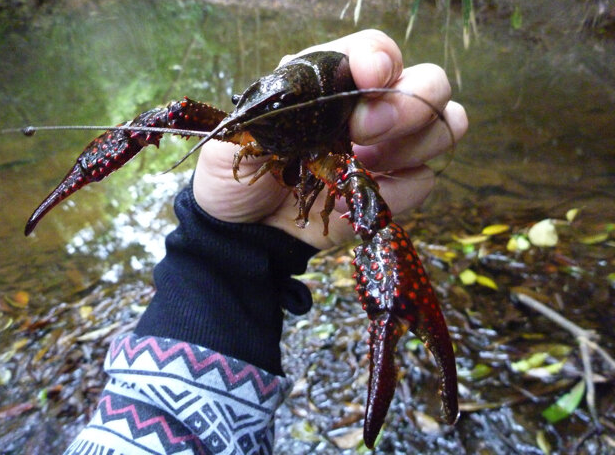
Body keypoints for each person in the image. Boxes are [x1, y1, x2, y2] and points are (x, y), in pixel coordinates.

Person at [63, 30, 468, 455]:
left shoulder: (340, 166)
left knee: (379, 228)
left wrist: (223, 244)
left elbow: (376, 225)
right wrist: (219, 231)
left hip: (332, 144)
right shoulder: (246, 129)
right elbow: (169, 119)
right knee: (171, 114)